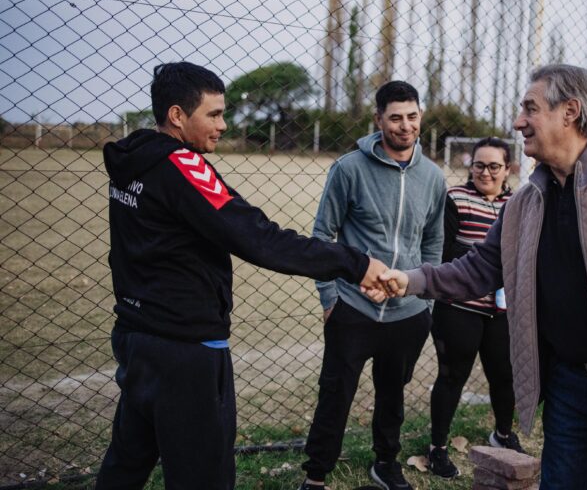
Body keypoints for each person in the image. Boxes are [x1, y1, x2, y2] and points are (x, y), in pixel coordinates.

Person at [374, 64, 587, 489]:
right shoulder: (522, 205)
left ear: (570, 112)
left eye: (530, 109)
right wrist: (409, 280)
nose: (518, 121)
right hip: (569, 389)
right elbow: (480, 269)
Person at [95, 61, 388, 490]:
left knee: (127, 462)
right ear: (177, 116)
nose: (222, 124)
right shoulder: (183, 166)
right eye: (212, 114)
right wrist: (356, 263)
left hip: (136, 337)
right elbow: (257, 237)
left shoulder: (133, 160)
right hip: (186, 350)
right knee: (203, 475)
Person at [299, 81, 446, 490]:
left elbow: (434, 240)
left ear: (421, 117)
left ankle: (386, 463)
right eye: (395, 117)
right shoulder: (349, 169)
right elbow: (322, 236)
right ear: (378, 119)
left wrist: (426, 300)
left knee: (392, 395)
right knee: (335, 394)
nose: (405, 126)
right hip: (353, 307)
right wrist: (330, 298)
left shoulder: (432, 177)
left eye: (412, 117)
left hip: (408, 312)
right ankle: (316, 475)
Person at [427, 137, 524, 480]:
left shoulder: (518, 203)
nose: (485, 172)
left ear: (508, 169)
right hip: (459, 306)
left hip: (502, 309)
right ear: (471, 167)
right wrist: (483, 267)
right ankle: (437, 447)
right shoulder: (456, 198)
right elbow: (443, 251)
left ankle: (503, 433)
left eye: (494, 166)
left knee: (504, 376)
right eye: (479, 165)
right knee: (452, 375)